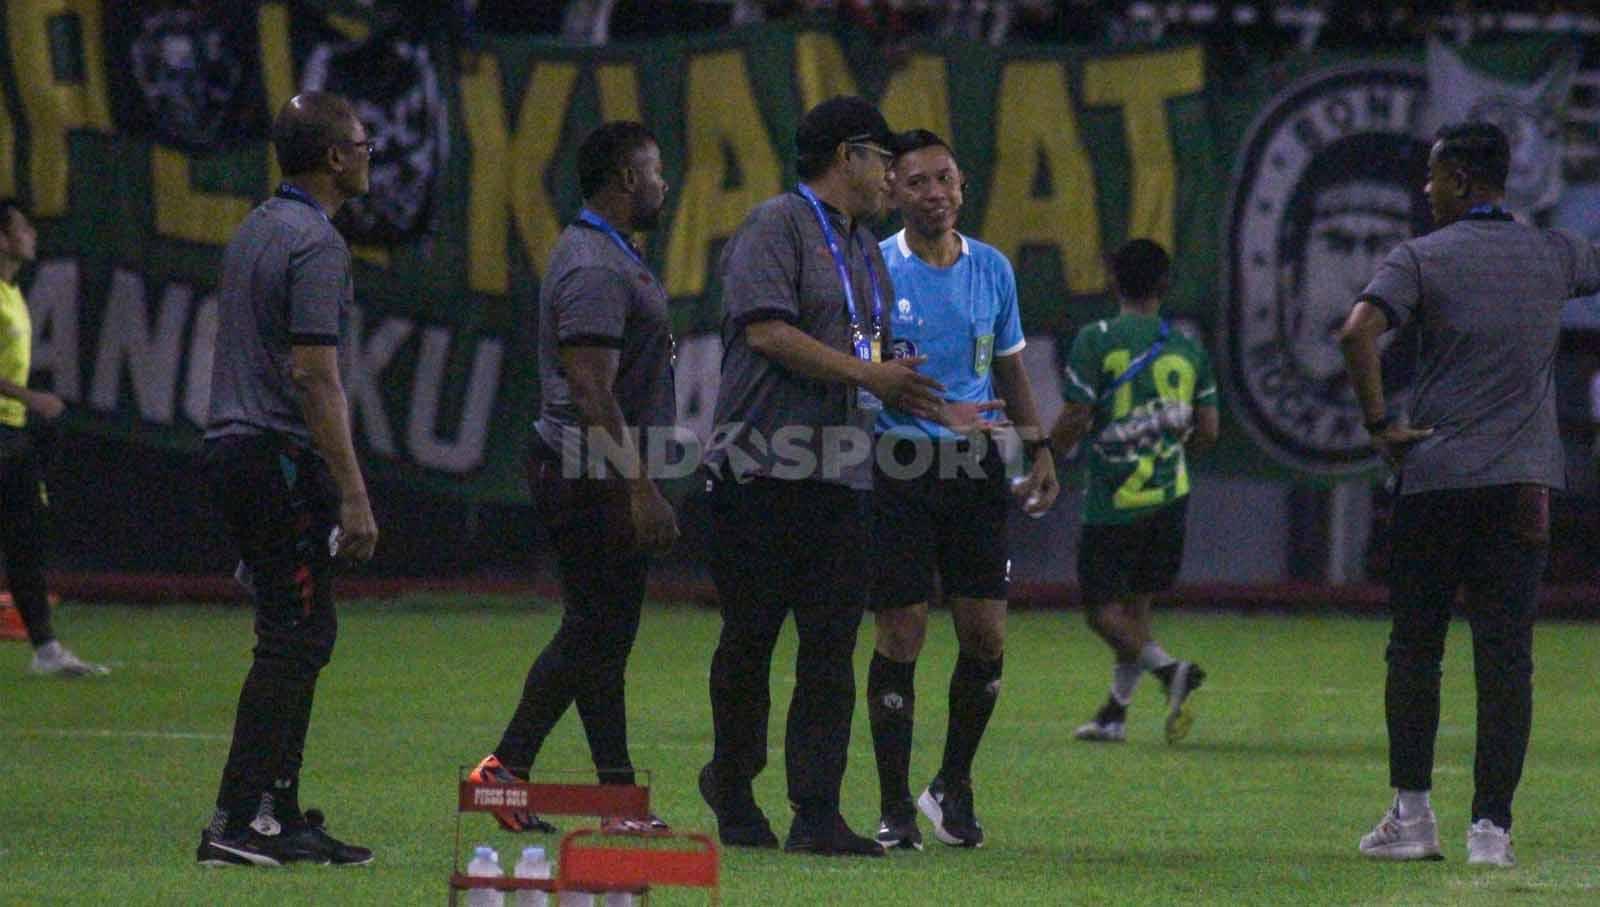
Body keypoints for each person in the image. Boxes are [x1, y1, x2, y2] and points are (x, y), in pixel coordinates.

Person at [699, 96, 966, 858]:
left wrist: (905, 395)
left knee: (829, 646)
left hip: (840, 476)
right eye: (883, 159)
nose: (892, 175)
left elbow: (868, 358)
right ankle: (735, 781)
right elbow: (766, 330)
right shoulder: (775, 225)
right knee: (749, 639)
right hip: (759, 470)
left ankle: (815, 809)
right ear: (847, 156)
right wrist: (869, 374)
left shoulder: (864, 248)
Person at [1340, 122, 1599, 868]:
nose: (1425, 190)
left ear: (1457, 177)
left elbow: (1357, 332)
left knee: (1416, 650)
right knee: (1507, 658)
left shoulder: (1421, 257)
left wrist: (1380, 422)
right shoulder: (1554, 253)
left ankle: (1413, 816)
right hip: (1523, 484)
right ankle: (1492, 830)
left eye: (1431, 176)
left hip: (1438, 476)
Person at [468, 121, 678, 835]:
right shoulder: (593, 265)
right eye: (654, 171)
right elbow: (591, 388)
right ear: (625, 180)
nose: (663, 184)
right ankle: (504, 767)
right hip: (586, 470)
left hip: (592, 467)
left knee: (604, 637)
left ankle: (615, 801)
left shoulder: (607, 252)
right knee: (595, 630)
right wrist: (639, 485)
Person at [196, 91, 379, 868]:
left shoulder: (257, 229)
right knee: (293, 634)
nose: (371, 154)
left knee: (303, 630)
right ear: (334, 158)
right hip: (275, 451)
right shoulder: (317, 242)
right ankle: (238, 820)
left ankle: (276, 811)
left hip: (236, 445)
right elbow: (313, 374)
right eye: (362, 143)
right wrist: (354, 490)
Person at [865, 129, 1058, 852]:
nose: (935, 193)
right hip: (901, 463)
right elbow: (866, 375)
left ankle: (951, 783)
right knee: (903, 631)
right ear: (893, 192)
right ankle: (892, 804)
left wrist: (1037, 447)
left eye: (944, 178)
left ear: (963, 184)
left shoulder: (994, 270)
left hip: (975, 465)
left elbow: (1010, 370)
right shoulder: (876, 270)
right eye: (917, 182)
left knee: (985, 634)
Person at [1051, 239, 1218, 745]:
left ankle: (1170, 672)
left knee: (1102, 612)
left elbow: (1077, 416)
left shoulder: (1096, 339)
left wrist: (1045, 457)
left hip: (1113, 501)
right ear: (1165, 286)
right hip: (1169, 496)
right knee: (1136, 610)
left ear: (1112, 280)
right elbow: (1208, 431)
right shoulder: (1188, 348)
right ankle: (1114, 715)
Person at [0, 198, 108, 677]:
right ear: (3, 239)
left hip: (11, 433)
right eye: (23, 229)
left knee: (25, 539)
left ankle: (46, 650)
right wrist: (32, 398)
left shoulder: (12, 292)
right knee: (23, 535)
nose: (32, 236)